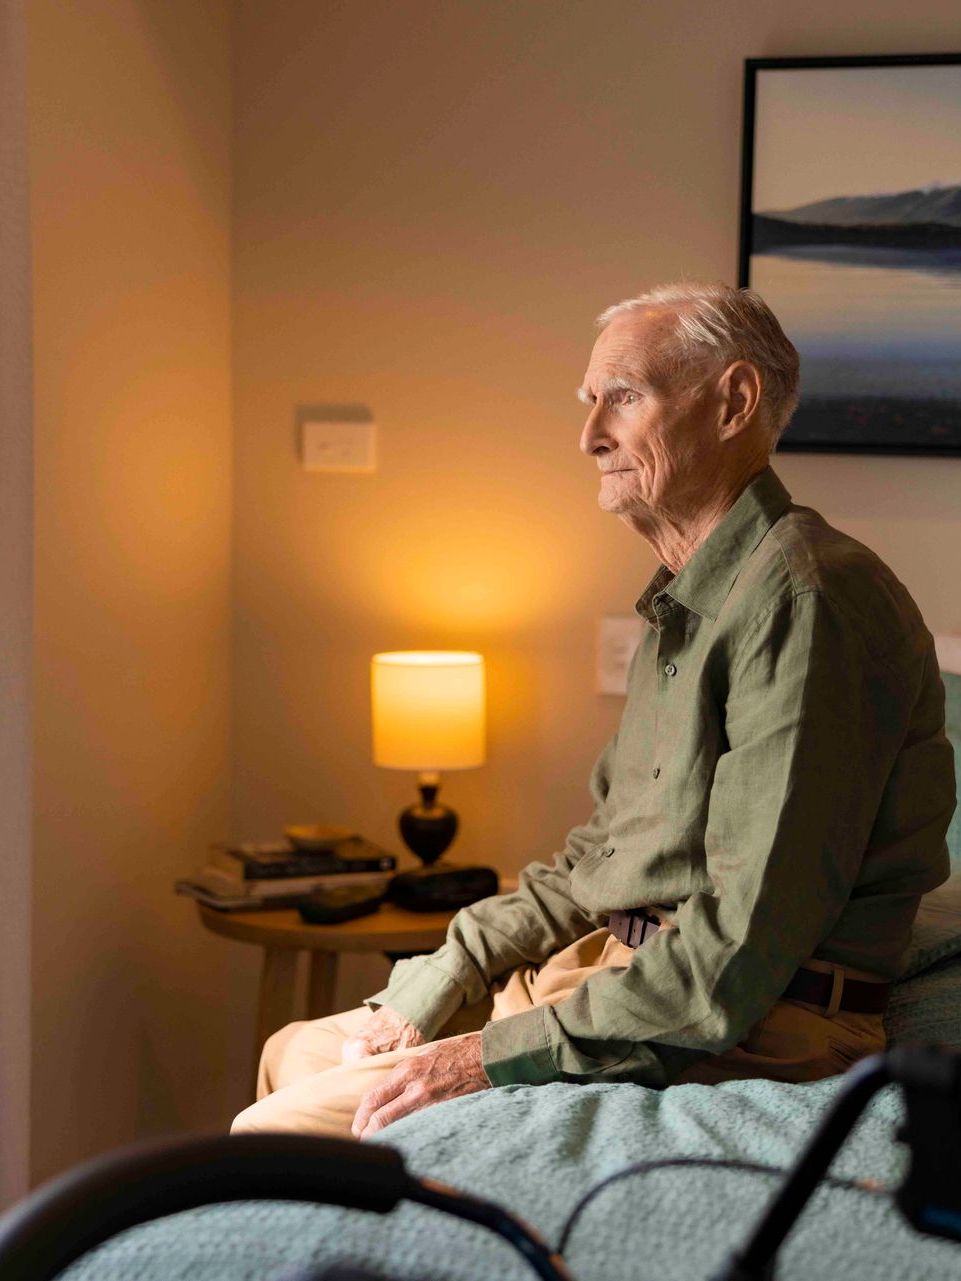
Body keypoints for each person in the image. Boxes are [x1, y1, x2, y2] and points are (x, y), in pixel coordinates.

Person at [232, 281, 956, 1141]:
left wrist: (483, 1056)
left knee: (281, 1128)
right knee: (299, 1049)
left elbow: (740, 947)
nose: (588, 435)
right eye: (589, 402)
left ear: (732, 401)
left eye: (622, 397)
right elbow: (596, 862)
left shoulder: (808, 596)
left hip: (758, 1021)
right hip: (616, 972)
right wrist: (443, 973)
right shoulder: (684, 604)